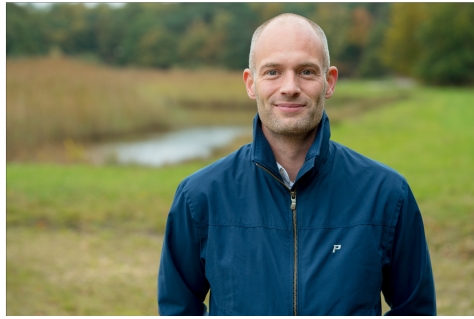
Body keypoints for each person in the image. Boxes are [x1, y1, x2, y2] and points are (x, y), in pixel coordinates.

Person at [158, 13, 436, 315]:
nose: (289, 87)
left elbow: (416, 311)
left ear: (329, 82)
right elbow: (178, 310)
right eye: (273, 72)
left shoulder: (388, 195)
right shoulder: (199, 197)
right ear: (251, 84)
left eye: (305, 71)